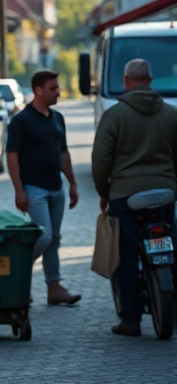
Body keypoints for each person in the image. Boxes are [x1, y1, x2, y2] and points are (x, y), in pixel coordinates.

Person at [91, 58, 177, 337]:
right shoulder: (171, 114)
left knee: (125, 256)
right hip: (165, 194)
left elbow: (100, 160)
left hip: (126, 197)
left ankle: (130, 320)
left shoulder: (114, 116)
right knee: (172, 245)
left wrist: (104, 192)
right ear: (150, 80)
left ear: (126, 81)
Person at [6, 70, 82, 306]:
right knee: (44, 236)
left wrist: (72, 183)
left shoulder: (58, 118)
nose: (58, 92)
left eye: (58, 88)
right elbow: (12, 157)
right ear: (38, 90)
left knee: (54, 239)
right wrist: (19, 190)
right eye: (53, 88)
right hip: (34, 189)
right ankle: (17, 275)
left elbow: (63, 153)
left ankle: (54, 288)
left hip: (56, 188)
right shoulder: (21, 120)